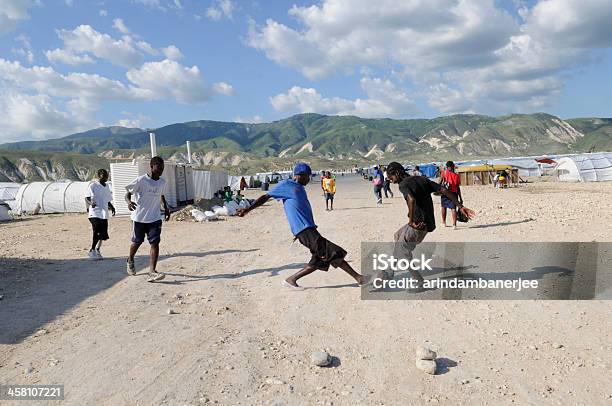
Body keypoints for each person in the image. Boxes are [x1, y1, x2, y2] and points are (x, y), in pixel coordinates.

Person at [237, 163, 365, 289]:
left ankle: (291, 280)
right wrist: (248, 209)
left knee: (321, 258)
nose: (309, 179)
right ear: (299, 175)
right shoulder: (286, 185)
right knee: (332, 251)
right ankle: (359, 278)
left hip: (308, 228)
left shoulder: (299, 188)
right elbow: (265, 197)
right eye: (307, 176)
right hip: (304, 230)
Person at [385, 162, 475, 285]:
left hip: (418, 225)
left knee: (403, 252)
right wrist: (460, 206)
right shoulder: (422, 179)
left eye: (391, 178)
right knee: (397, 236)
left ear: (396, 173)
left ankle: (419, 281)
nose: (391, 181)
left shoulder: (403, 184)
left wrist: (411, 221)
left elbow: (411, 199)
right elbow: (444, 190)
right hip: (427, 223)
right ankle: (391, 270)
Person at [125, 156, 170, 283]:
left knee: (155, 243)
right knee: (137, 242)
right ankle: (130, 259)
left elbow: (161, 195)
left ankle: (152, 271)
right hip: (139, 218)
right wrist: (129, 202)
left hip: (155, 218)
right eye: (159, 167)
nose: (161, 170)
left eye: (163, 167)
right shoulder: (141, 180)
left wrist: (166, 208)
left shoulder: (162, 182)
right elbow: (128, 192)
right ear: (151, 167)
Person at [85, 169, 115, 260]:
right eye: (104, 175)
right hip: (94, 212)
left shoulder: (106, 186)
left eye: (106, 175)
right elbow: (87, 198)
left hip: (104, 213)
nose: (106, 177)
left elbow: (107, 199)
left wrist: (112, 207)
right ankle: (91, 251)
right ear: (99, 176)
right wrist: (91, 203)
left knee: (103, 234)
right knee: (96, 229)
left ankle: (97, 250)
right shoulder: (93, 185)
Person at [440, 161, 463, 229]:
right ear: (453, 166)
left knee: (444, 207)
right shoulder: (456, 175)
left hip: (445, 193)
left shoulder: (444, 173)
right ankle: (454, 225)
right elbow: (458, 187)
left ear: (447, 167)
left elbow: (439, 182)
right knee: (453, 208)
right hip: (454, 193)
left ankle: (444, 223)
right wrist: (460, 197)